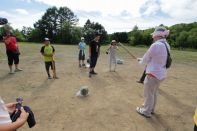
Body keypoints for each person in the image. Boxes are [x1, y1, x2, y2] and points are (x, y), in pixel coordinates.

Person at [136, 26, 170, 118]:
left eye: (154, 35)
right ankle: (151, 108)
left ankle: (146, 111)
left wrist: (141, 61)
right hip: (161, 73)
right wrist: (141, 59)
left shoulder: (156, 45)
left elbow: (146, 58)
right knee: (153, 93)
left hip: (153, 74)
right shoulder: (166, 45)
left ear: (157, 35)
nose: (153, 37)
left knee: (148, 93)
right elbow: (155, 58)